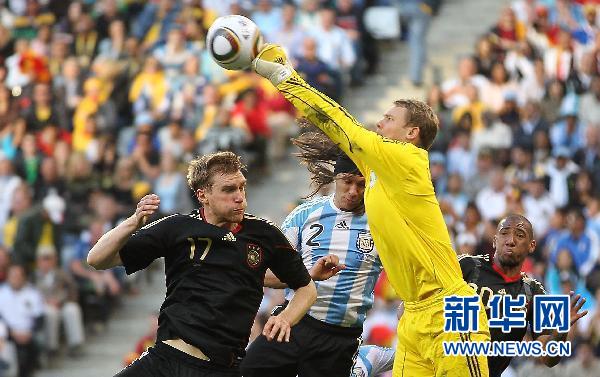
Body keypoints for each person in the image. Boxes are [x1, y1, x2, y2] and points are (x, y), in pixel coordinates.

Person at [251, 44, 490, 376]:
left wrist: (285, 77)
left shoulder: (408, 159)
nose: (379, 123)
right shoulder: (377, 169)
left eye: (388, 118)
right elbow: (335, 129)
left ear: (412, 133)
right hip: (414, 315)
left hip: (449, 307)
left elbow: (344, 125)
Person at [87, 151, 318, 377]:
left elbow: (305, 287)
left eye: (241, 187)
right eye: (228, 190)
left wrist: (285, 318)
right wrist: (133, 222)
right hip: (166, 360)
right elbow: (97, 259)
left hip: (221, 369)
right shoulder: (177, 227)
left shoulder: (265, 235)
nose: (239, 196)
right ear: (202, 195)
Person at [242, 131, 383, 377]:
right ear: (335, 177)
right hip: (296, 320)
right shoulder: (304, 215)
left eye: (361, 184)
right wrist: (308, 276)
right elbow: (265, 274)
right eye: (347, 181)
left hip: (341, 337)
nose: (353, 191)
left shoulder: (382, 223)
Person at [459, 214, 588, 377]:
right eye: (504, 233)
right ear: (494, 240)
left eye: (520, 235)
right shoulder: (467, 266)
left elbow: (549, 359)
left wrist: (559, 332)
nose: (510, 240)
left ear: (532, 245)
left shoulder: (535, 292)